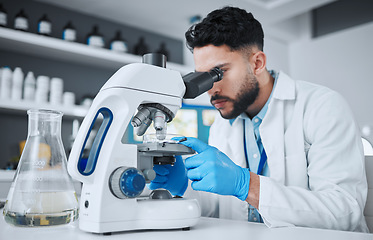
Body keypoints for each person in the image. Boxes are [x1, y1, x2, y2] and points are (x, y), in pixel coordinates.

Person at [149, 6, 368, 232]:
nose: (210, 89)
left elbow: (344, 212)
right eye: (202, 77)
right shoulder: (222, 126)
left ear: (257, 63)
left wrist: (247, 185)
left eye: (218, 72)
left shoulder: (322, 107)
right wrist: (185, 187)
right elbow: (220, 212)